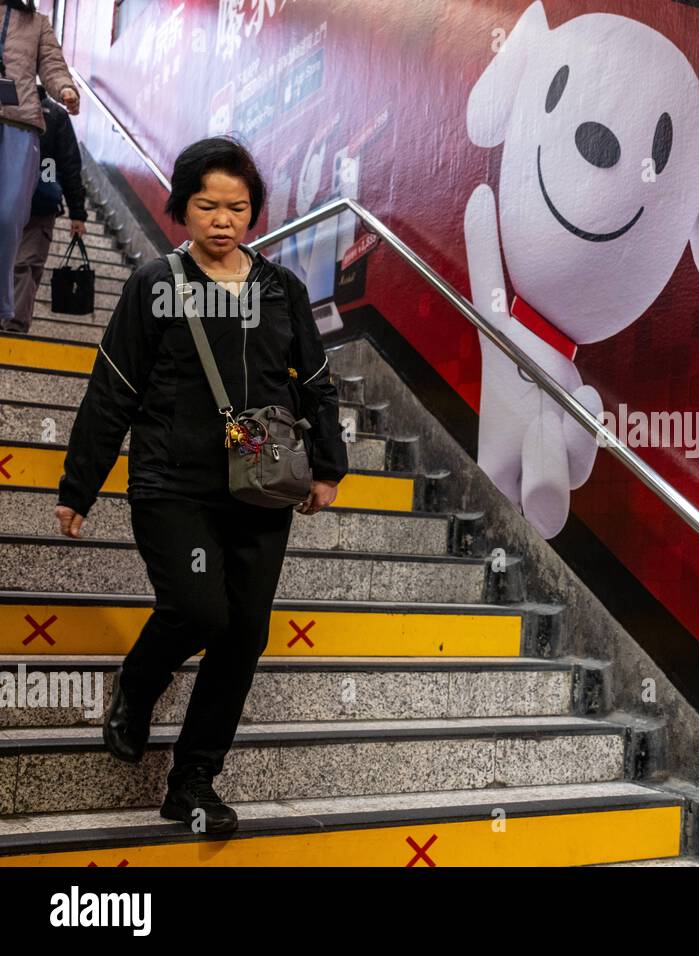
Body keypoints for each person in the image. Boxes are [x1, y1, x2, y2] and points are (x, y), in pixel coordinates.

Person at [54, 136, 350, 836]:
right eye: (208, 206)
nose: (223, 220)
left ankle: (192, 780)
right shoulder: (156, 285)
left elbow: (314, 381)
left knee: (244, 632)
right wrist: (78, 487)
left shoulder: (280, 291)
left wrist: (329, 466)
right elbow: (112, 391)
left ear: (253, 212)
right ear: (182, 207)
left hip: (260, 487)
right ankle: (138, 684)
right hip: (173, 482)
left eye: (238, 208)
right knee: (199, 611)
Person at [0, 0, 79, 330]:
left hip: (20, 126)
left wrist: (65, 89)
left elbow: (52, 64)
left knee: (7, 218)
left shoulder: (37, 22)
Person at [4, 80, 87, 333]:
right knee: (19, 263)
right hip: (18, 197)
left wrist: (77, 213)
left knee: (25, 264)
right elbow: (70, 166)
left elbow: (70, 164)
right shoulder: (9, 107)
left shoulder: (56, 116)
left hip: (39, 204)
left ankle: (13, 327)